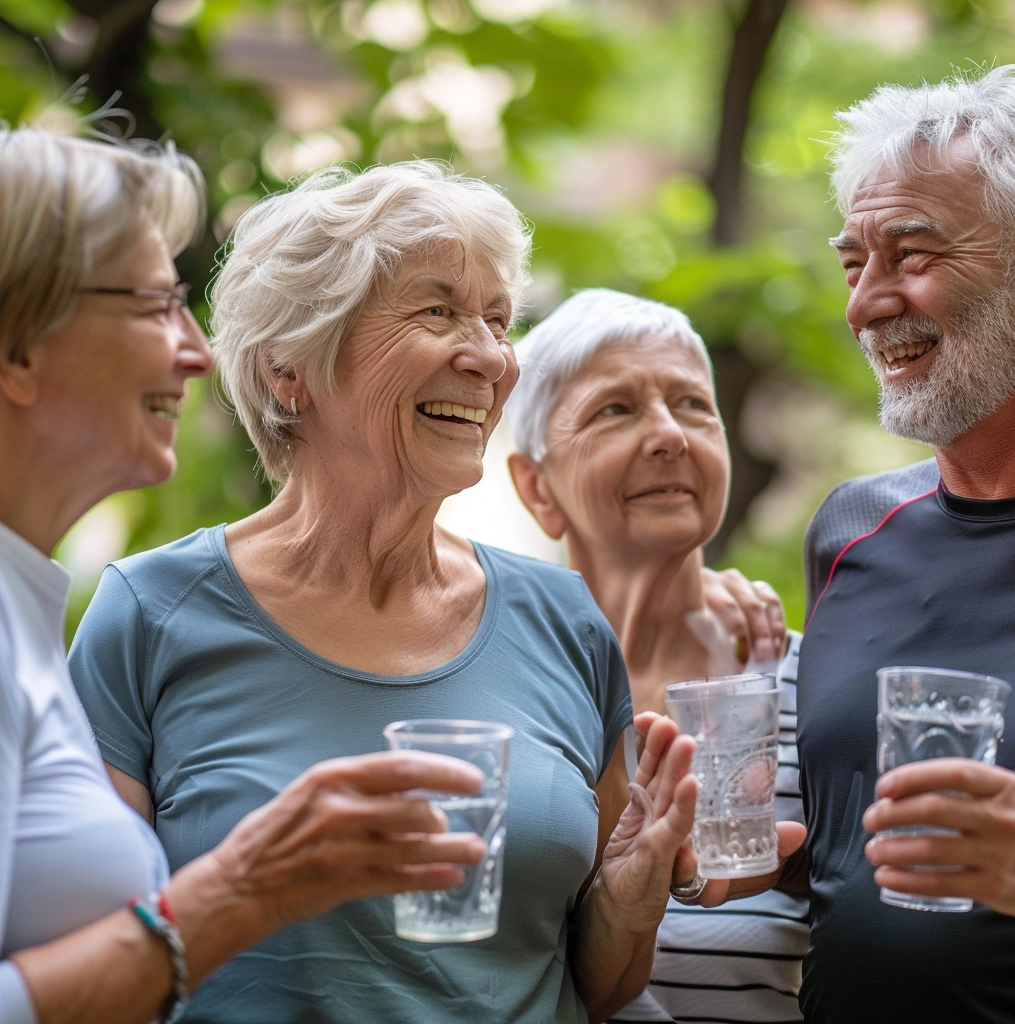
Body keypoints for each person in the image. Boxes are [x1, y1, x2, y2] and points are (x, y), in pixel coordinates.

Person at [69, 159, 703, 1024]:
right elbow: (88, 959)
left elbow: (595, 986)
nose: (488, 357)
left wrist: (630, 899)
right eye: (438, 310)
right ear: (292, 366)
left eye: (496, 318)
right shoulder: (149, 614)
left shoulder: (565, 623)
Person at [0, 129, 494, 1024]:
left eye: (501, 319)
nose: (195, 350)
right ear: (20, 351)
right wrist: (236, 895)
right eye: (154, 305)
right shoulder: (138, 610)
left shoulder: (20, 609)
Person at [505, 288, 808, 1024]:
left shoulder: (810, 685)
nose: (670, 433)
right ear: (538, 487)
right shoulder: (492, 691)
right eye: (616, 409)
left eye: (693, 405)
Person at [795, 64, 1015, 1022]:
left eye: (913, 254)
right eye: (856, 263)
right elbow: (853, 861)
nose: (864, 305)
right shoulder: (849, 530)